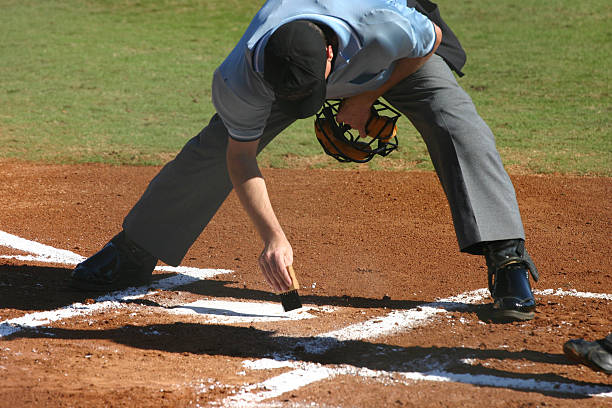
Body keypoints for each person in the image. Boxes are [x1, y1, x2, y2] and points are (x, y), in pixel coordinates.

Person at [71, 0, 539, 321]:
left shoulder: (387, 24)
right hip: (312, 59)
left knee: (456, 119)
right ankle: (135, 250)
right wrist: (272, 236)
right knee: (215, 145)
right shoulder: (244, 73)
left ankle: (507, 261)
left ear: (331, 56)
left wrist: (366, 97)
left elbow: (430, 38)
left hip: (392, 59)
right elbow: (240, 157)